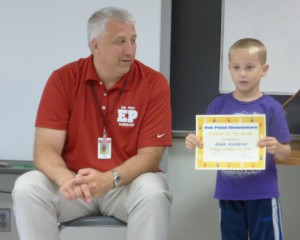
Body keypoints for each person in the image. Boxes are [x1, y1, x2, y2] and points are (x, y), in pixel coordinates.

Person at [12, 7, 173, 240]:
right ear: (95, 45)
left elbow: (151, 155)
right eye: (120, 42)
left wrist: (110, 179)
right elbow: (45, 149)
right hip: (75, 185)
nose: (130, 50)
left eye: (133, 40)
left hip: (123, 185)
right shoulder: (63, 79)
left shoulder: (154, 83)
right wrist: (64, 178)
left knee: (154, 190)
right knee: (28, 186)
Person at [186, 38, 291, 240]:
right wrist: (194, 142)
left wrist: (277, 147)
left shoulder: (271, 108)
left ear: (264, 69)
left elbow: (286, 153)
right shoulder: (217, 106)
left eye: (249, 67)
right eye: (236, 67)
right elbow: (205, 145)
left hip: (262, 194)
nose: (242, 73)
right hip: (228, 194)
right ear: (229, 69)